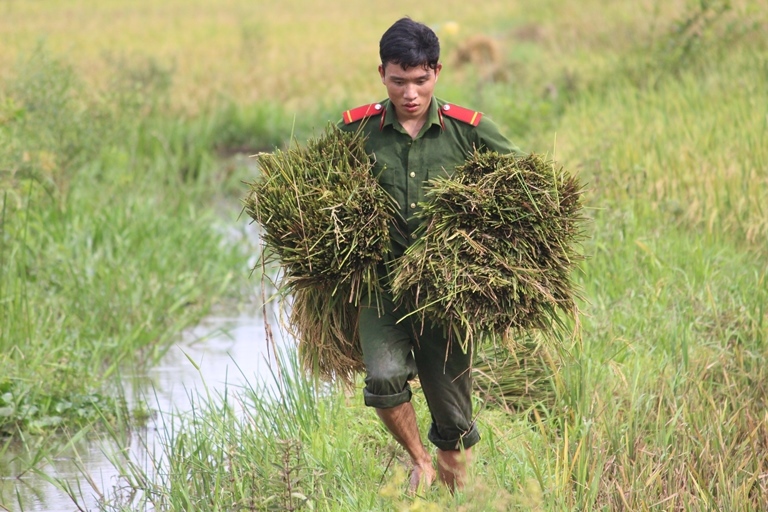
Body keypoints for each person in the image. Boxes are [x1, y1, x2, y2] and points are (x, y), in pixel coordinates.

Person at [337, 17, 521, 493]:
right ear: (382, 74)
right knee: (382, 378)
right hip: (382, 284)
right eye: (399, 81)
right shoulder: (357, 130)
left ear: (437, 72)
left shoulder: (470, 130)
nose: (410, 93)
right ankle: (417, 460)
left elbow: (524, 188)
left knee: (455, 429)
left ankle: (453, 497)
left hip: (446, 292)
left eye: (420, 80)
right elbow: (319, 192)